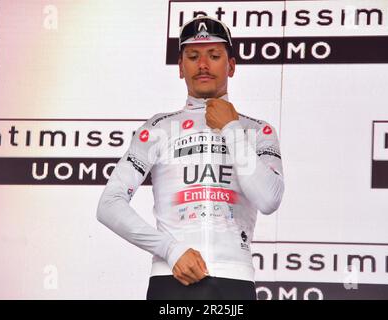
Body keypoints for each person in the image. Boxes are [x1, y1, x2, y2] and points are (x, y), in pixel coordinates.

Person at [97, 16, 284, 300]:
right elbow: (109, 205)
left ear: (231, 65)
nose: (203, 65)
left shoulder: (257, 131)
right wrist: (171, 250)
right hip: (171, 278)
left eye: (214, 55)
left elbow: (269, 200)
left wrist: (231, 128)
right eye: (193, 56)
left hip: (234, 279)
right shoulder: (159, 128)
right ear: (181, 67)